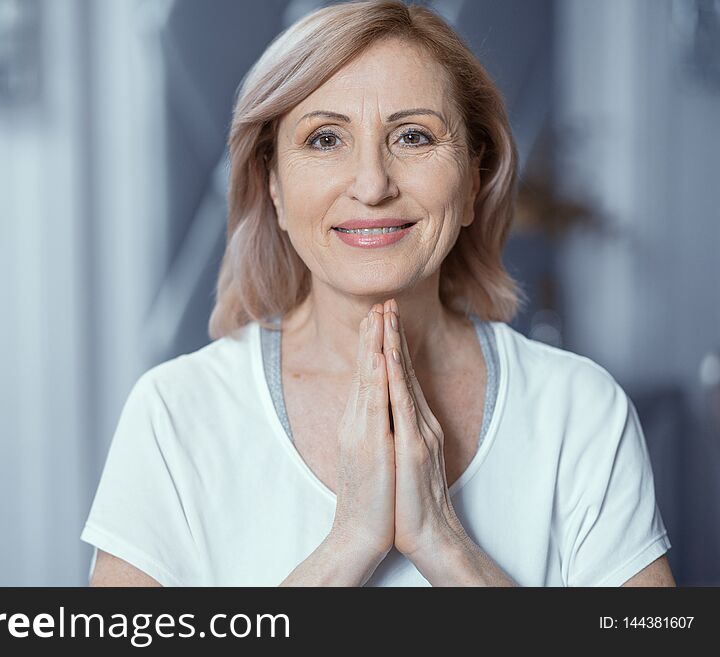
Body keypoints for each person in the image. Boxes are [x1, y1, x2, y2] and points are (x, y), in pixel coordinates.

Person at [80, 0, 674, 586]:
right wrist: (347, 547)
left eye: (413, 136)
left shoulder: (581, 411)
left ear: (473, 180)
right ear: (275, 188)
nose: (371, 184)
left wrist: (443, 542)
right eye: (325, 140)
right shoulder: (175, 414)